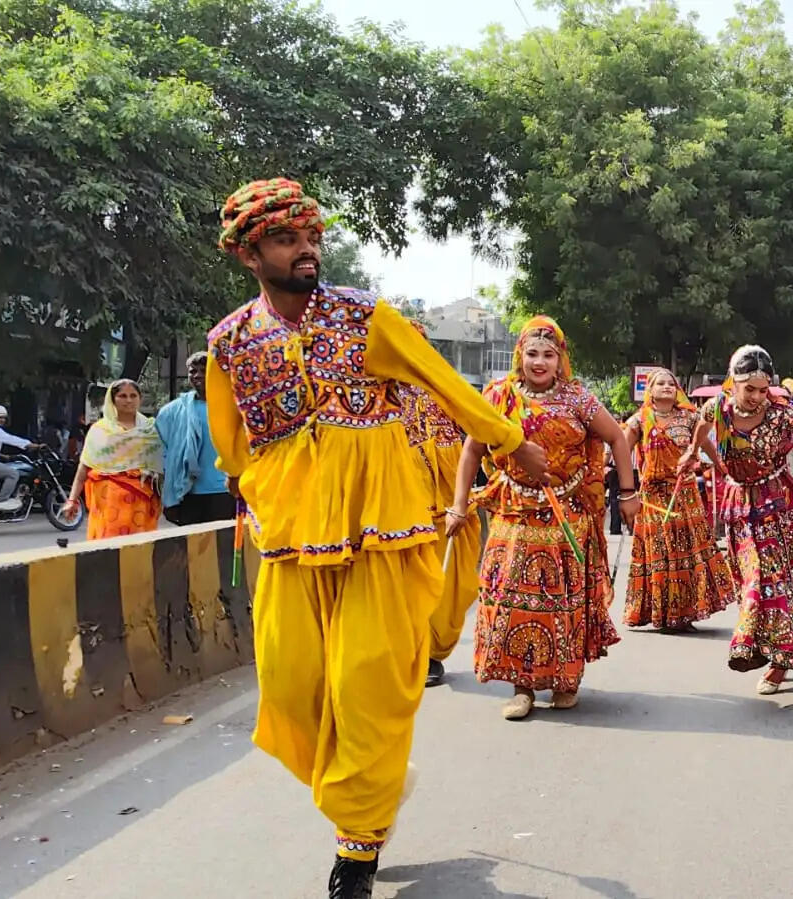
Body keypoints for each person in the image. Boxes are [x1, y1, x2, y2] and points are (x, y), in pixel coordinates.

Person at [203, 178, 540, 897]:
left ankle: (357, 846)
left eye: (311, 237)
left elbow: (446, 383)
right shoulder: (228, 343)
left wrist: (510, 440)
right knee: (289, 689)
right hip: (291, 535)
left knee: (366, 687)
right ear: (248, 254)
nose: (305, 250)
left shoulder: (365, 316)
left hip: (384, 530)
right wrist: (266, 490)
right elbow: (231, 446)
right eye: (286, 239)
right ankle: (376, 780)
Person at [456, 315, 638, 721]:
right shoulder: (498, 396)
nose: (539, 362)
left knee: (563, 603)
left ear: (560, 360)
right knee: (512, 601)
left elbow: (616, 438)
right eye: (532, 353)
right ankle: (521, 687)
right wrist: (458, 504)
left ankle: (564, 681)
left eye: (548, 355)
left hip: (567, 516)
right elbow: (472, 450)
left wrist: (628, 493)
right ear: (520, 355)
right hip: (513, 514)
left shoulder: (578, 399)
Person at [697, 345, 793, 695]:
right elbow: (701, 431)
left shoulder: (782, 413)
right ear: (733, 382)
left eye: (763, 389)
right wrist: (707, 460)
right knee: (748, 576)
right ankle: (764, 644)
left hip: (777, 503)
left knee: (773, 577)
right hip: (738, 504)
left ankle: (773, 656)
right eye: (750, 389)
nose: (758, 396)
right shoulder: (718, 408)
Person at [621, 368, 734, 632]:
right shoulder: (639, 421)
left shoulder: (691, 418)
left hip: (685, 494)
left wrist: (723, 468)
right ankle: (661, 613)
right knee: (661, 553)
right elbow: (621, 451)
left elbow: (705, 445)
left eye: (671, 384)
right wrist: (626, 489)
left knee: (686, 552)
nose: (667, 387)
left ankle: (685, 613)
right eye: (660, 383)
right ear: (650, 390)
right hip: (653, 496)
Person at [398, 376, 477, 689]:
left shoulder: (442, 391)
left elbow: (479, 436)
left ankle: (430, 655)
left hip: (443, 511)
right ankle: (402, 656)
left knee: (444, 587)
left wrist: (459, 503)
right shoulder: (371, 390)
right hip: (392, 508)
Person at [60, 380, 164, 538]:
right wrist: (72, 500)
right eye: (122, 396)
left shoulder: (151, 430)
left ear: (140, 399)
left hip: (141, 499)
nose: (128, 400)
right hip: (107, 499)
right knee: (108, 545)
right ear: (112, 400)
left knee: (139, 546)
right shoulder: (100, 430)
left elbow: (161, 464)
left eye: (133, 396)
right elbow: (84, 467)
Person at [156, 352, 237, 525]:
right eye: (193, 371)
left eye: (204, 370)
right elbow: (162, 451)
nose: (198, 375)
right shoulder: (171, 412)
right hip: (187, 492)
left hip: (224, 491)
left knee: (221, 541)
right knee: (192, 542)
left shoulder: (232, 406)